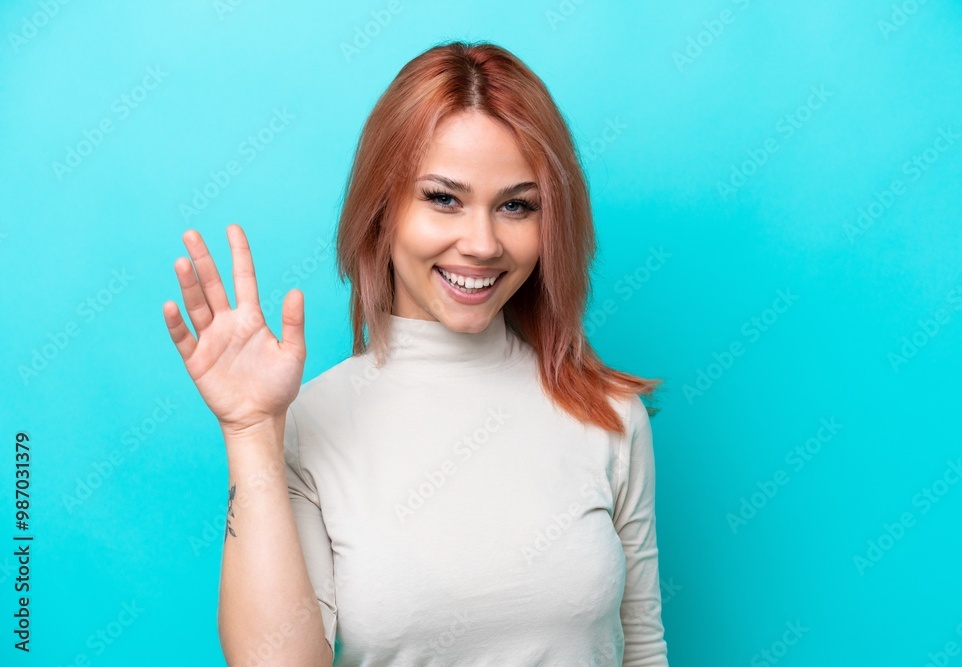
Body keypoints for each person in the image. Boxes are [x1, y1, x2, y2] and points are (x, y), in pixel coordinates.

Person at [163, 40, 669, 666]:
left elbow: (642, 646)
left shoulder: (609, 415)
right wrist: (249, 432)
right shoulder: (310, 425)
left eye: (516, 205)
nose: (481, 243)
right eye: (443, 198)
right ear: (383, 210)